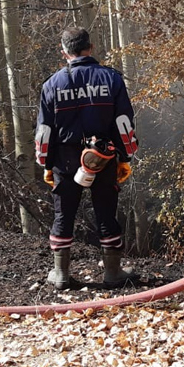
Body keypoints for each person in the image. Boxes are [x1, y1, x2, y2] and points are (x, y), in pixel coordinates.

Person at [35, 27, 139, 290]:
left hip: (64, 160)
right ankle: (112, 273)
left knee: (63, 214)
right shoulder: (111, 79)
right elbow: (124, 124)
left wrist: (46, 165)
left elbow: (44, 132)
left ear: (64, 53)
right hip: (104, 157)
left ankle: (60, 275)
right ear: (90, 48)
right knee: (106, 212)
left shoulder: (51, 84)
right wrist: (125, 158)